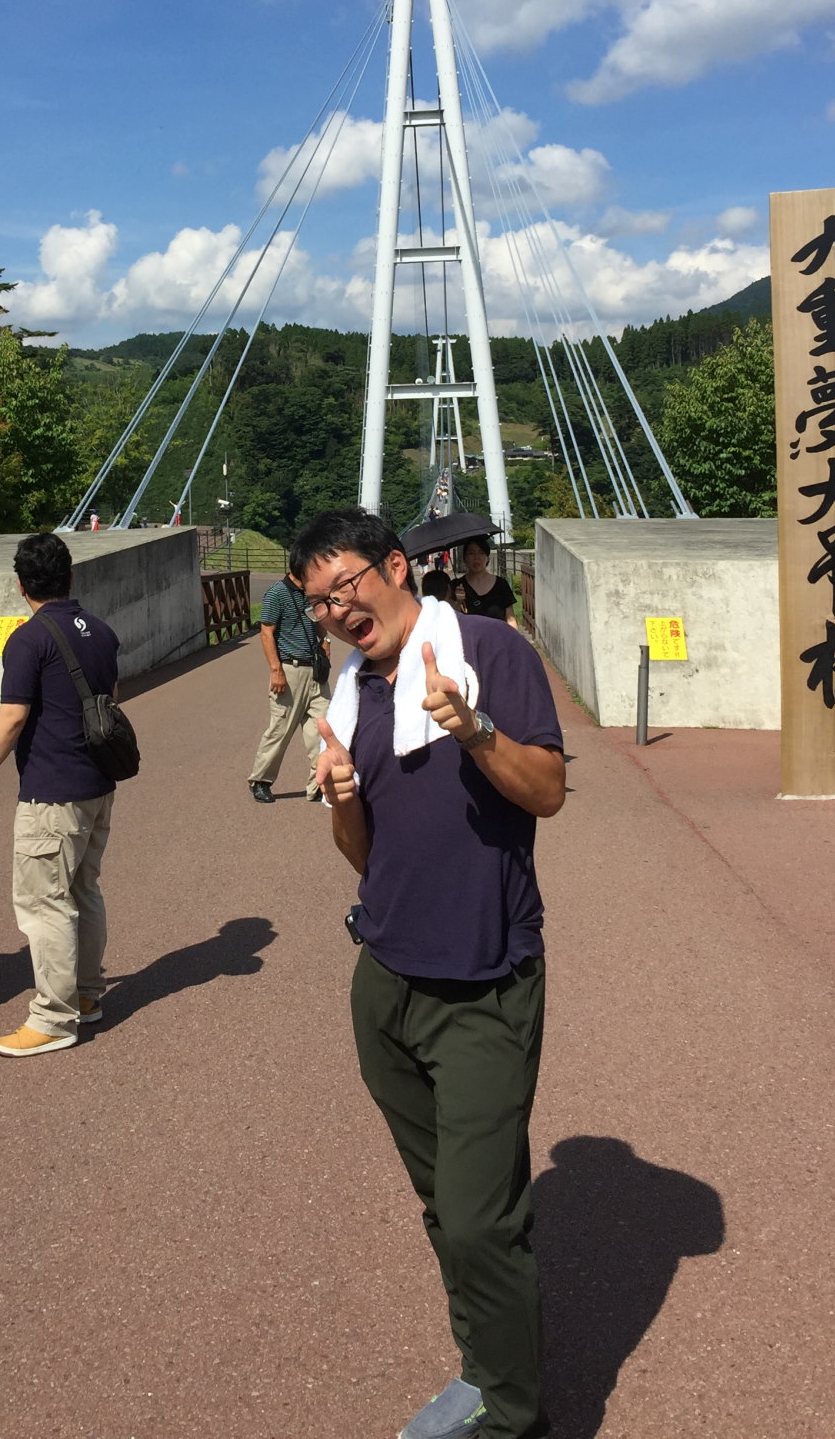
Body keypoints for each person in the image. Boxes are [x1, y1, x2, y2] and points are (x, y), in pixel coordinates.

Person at [296, 506, 565, 1439]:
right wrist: (340, 795)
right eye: (318, 603)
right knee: (445, 1207)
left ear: (396, 568)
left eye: (346, 587)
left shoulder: (489, 652)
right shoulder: (353, 693)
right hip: (386, 982)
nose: (337, 612)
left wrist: (473, 727)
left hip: (485, 981)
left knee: (482, 1218)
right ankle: (483, 1368)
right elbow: (364, 856)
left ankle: (512, 1413)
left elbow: (548, 793)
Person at [0, 532, 120, 1058]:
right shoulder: (101, 631)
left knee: (44, 903)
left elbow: (13, 715)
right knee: (83, 891)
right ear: (70, 577)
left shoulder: (29, 639)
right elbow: (109, 702)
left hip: (52, 791)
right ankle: (87, 994)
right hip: (97, 783)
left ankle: (53, 1018)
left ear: (20, 584)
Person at [247, 567, 330, 803]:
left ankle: (318, 785)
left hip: (315, 671)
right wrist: (276, 670)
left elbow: (318, 620)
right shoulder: (276, 593)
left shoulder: (311, 592)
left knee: (322, 729)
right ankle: (261, 780)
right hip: (289, 670)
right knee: (280, 729)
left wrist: (325, 640)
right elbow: (266, 632)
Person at [458, 538, 518, 628]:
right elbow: (450, 621)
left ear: (487, 558)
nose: (476, 557)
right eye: (471, 553)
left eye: (481, 553)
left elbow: (510, 619)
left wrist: (513, 636)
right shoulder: (457, 586)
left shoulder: (501, 585)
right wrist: (458, 602)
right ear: (465, 558)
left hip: (498, 636)